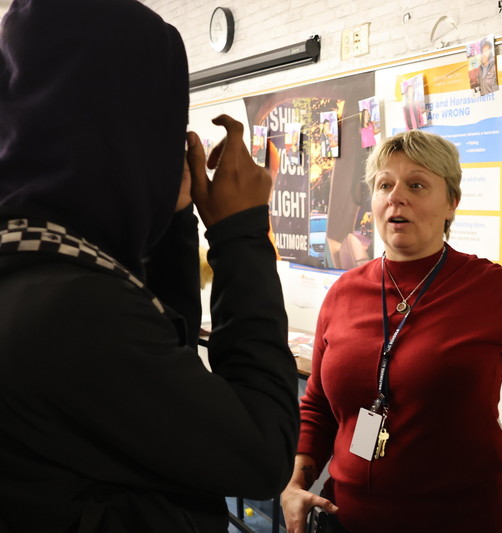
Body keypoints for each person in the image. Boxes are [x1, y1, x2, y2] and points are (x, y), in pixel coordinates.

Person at [0, 1, 299, 531]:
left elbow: (160, 365)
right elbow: (261, 451)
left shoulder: (31, 259)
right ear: (129, 131)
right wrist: (242, 235)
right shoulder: (75, 311)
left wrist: (174, 220)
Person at [280, 129, 502, 533]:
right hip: (349, 520)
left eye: (417, 184)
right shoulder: (345, 292)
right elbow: (318, 405)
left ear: (451, 203)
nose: (395, 197)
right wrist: (295, 483)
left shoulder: (489, 288)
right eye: (384, 184)